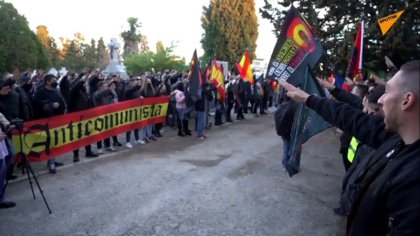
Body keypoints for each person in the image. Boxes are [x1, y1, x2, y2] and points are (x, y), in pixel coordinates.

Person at [279, 60, 419, 235]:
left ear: (407, 100)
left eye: (388, 90)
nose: (381, 100)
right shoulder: (396, 139)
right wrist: (309, 99)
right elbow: (352, 118)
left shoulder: (414, 182)